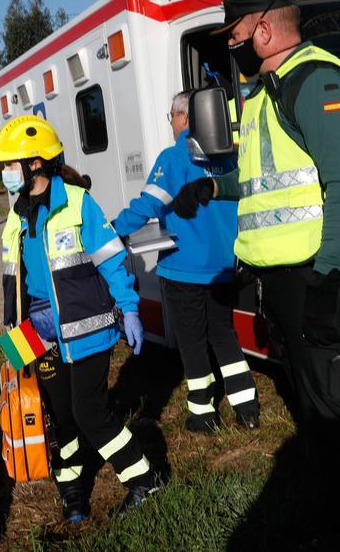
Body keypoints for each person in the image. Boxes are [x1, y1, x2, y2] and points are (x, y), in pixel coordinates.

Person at [171, 0, 340, 541]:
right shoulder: (268, 90)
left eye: (238, 35)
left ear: (266, 29)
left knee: (339, 413)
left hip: (321, 275)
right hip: (286, 279)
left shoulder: (317, 80)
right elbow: (266, 180)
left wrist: (326, 277)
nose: (234, 45)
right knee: (315, 411)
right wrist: (215, 191)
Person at [0, 115, 159, 524]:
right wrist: (16, 338)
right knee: (61, 416)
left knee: (89, 412)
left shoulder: (78, 203)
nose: (4, 173)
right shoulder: (16, 215)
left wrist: (131, 308)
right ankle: (72, 490)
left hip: (88, 332)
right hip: (39, 333)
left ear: (36, 164)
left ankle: (144, 479)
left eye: (11, 164)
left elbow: (111, 261)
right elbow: (12, 282)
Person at [111, 92, 259, 433]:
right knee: (223, 333)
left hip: (184, 267)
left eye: (172, 117)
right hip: (222, 265)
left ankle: (203, 413)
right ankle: (246, 407)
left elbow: (149, 205)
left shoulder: (175, 157)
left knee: (192, 340)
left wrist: (114, 230)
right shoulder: (228, 156)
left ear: (183, 118)